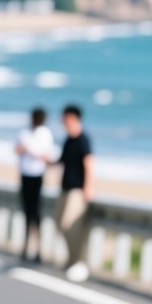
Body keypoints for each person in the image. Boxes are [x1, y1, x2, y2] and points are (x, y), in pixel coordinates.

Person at [54, 104, 95, 282]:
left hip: (77, 190)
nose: (62, 120)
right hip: (65, 188)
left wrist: (89, 187)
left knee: (70, 225)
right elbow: (60, 162)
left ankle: (78, 262)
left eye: (64, 117)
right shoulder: (68, 140)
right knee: (59, 223)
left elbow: (89, 164)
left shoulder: (83, 139)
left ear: (72, 117)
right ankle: (72, 260)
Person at [15, 106, 54, 263]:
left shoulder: (45, 133)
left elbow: (47, 155)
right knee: (26, 212)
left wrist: (35, 152)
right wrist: (25, 149)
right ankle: (26, 247)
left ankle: (37, 249)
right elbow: (17, 150)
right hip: (25, 175)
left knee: (37, 213)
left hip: (38, 176)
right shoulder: (24, 133)